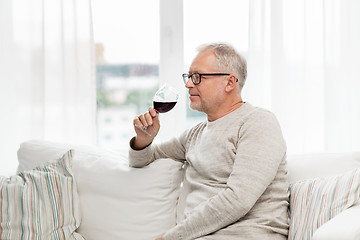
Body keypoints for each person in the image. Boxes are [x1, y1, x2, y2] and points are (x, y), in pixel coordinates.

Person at [129, 43, 289, 240]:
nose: (188, 84)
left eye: (197, 77)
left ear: (229, 82)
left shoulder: (258, 122)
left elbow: (238, 199)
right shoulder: (194, 135)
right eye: (188, 77)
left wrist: (170, 238)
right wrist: (144, 140)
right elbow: (141, 160)